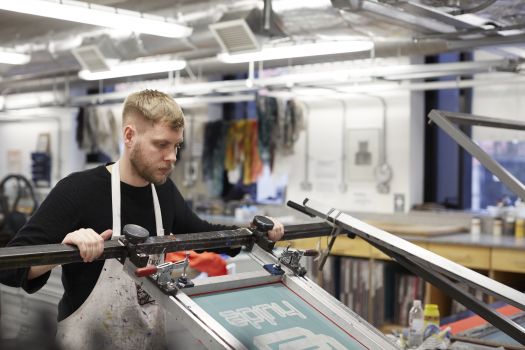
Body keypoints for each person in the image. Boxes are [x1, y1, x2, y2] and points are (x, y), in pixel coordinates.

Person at [0, 89, 284, 349]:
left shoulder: (163, 193)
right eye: (161, 145)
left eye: (176, 146)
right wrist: (64, 249)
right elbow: (10, 265)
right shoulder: (78, 190)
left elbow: (203, 233)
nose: (172, 157)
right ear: (129, 136)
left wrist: (253, 232)